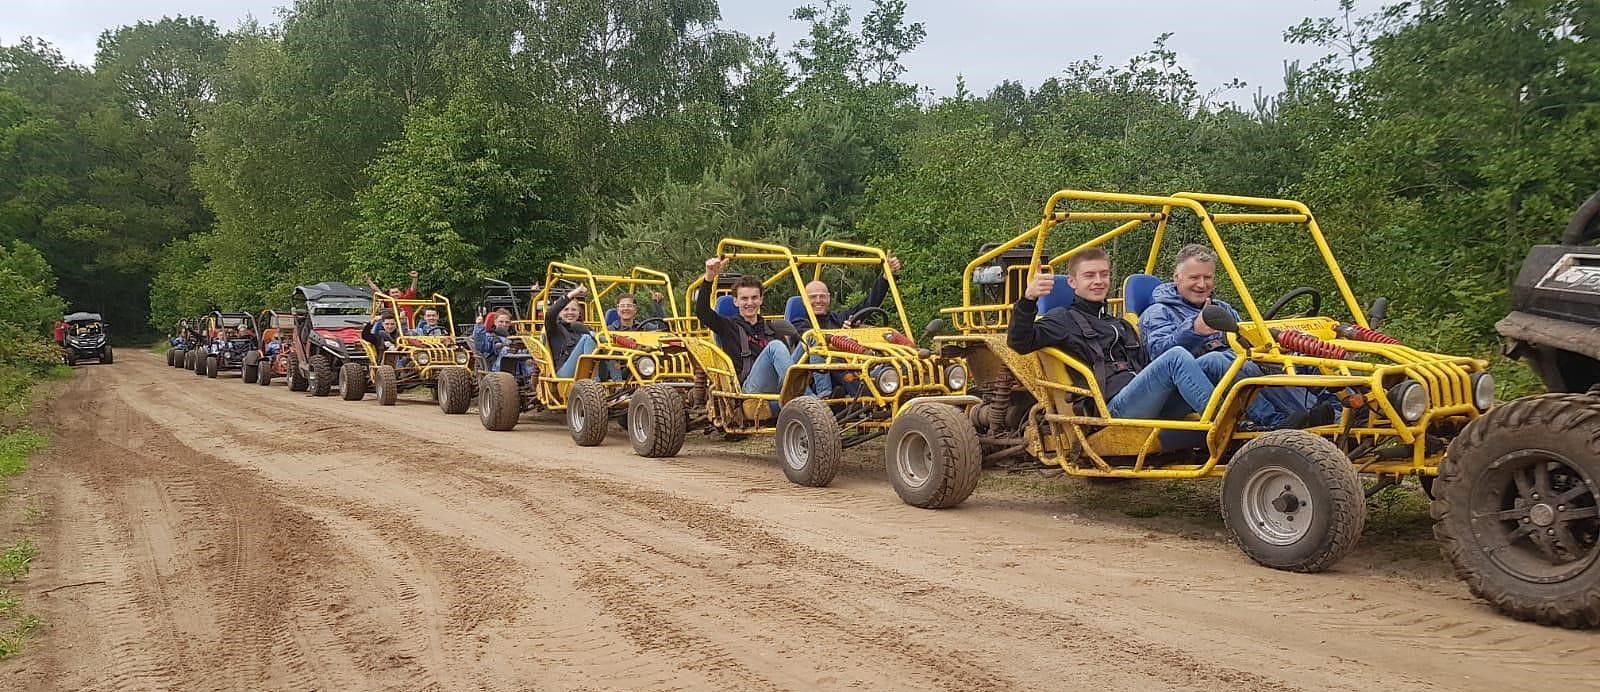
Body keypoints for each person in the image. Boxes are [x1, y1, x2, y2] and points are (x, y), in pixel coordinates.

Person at [1007, 248, 1217, 420]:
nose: (1098, 281)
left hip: (1146, 398)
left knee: (1216, 360)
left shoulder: (1120, 324)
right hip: (1113, 408)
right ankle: (1220, 422)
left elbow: (1147, 362)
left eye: (1104, 274)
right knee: (1176, 357)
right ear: (1072, 282)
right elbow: (1019, 341)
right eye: (1089, 275)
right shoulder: (1062, 319)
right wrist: (1029, 299)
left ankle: (1247, 428)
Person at [1139, 244, 1329, 429]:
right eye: (1194, 277)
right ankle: (1276, 421)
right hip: (1184, 387)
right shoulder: (1158, 311)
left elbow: (1243, 338)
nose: (1202, 284)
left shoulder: (1222, 308)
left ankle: (1337, 411)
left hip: (1229, 377)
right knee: (1220, 360)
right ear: (1177, 277)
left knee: (1294, 356)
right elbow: (1159, 356)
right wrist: (1193, 331)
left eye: (1208, 277)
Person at [695, 257, 811, 395]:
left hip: (777, 383)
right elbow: (702, 311)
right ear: (735, 301)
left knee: (812, 339)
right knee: (775, 346)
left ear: (761, 300)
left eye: (754, 298)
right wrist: (709, 277)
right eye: (744, 298)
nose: (750, 303)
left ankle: (824, 392)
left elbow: (786, 363)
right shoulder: (727, 326)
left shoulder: (772, 329)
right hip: (749, 387)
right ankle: (809, 399)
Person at [793, 255, 903, 332]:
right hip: (815, 363)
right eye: (813, 297)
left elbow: (868, 305)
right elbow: (814, 341)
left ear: (829, 299)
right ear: (804, 301)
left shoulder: (838, 319)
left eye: (822, 296)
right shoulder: (799, 324)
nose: (818, 300)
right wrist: (841, 334)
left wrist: (885, 278)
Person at [546, 285, 614, 379]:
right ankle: (593, 380)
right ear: (560, 313)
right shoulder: (554, 328)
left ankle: (617, 380)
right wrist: (574, 293)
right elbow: (550, 314)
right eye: (566, 309)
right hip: (564, 373)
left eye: (574, 310)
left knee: (602, 339)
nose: (570, 312)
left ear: (579, 313)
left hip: (589, 371)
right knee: (590, 337)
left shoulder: (583, 328)